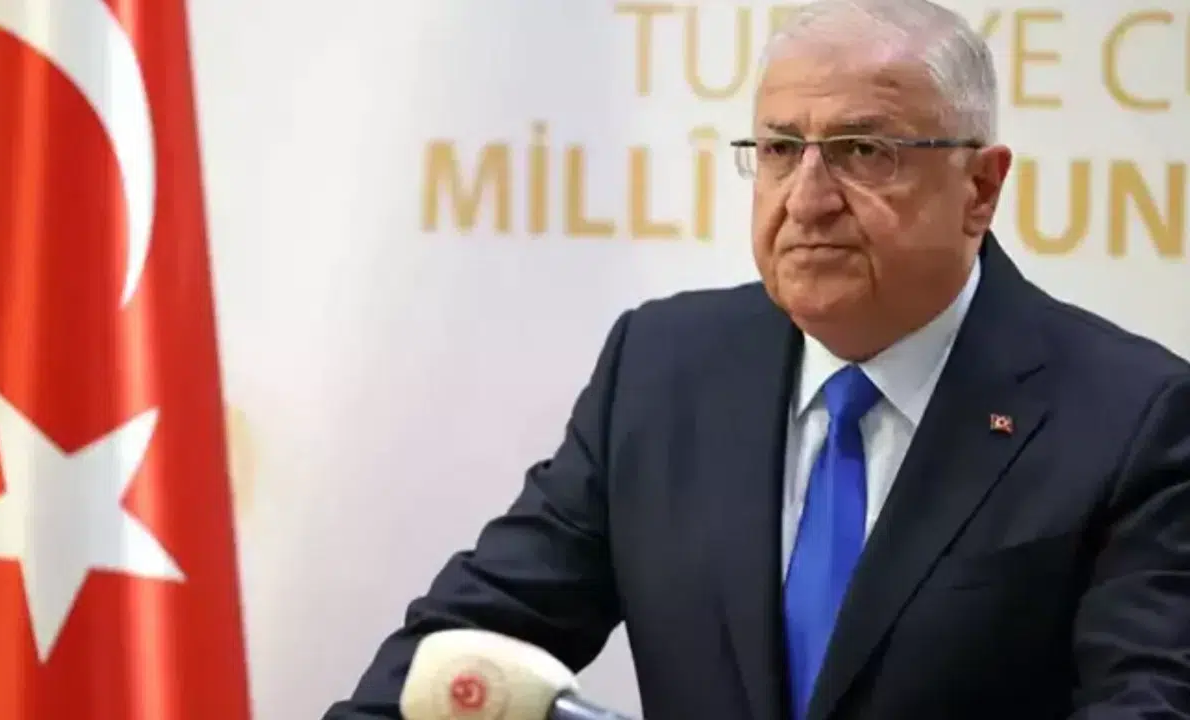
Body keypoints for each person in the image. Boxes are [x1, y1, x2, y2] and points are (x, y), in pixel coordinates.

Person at [326, 1, 1190, 717]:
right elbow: (473, 644)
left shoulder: (1130, 419)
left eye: (863, 152)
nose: (807, 200)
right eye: (780, 150)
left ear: (980, 188)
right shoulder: (662, 371)